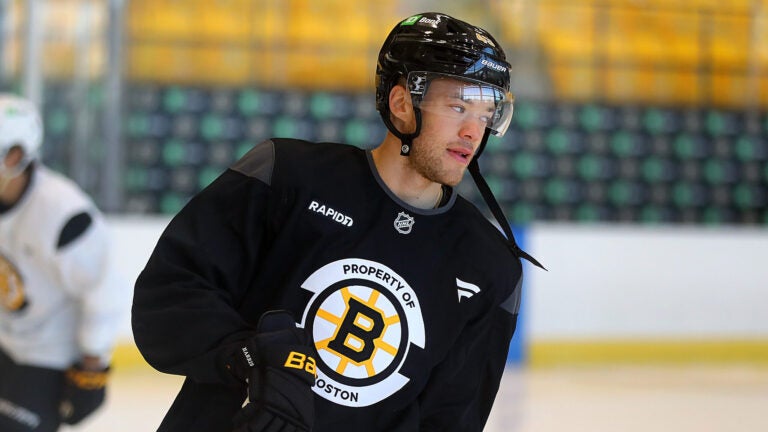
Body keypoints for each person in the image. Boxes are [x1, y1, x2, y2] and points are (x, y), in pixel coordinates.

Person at [132, 11, 543, 432]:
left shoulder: (490, 266)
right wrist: (250, 357)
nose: (472, 132)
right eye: (458, 107)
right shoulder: (284, 176)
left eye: (485, 113)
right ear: (403, 104)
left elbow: (450, 419)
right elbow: (168, 298)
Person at [0, 93, 130, 431]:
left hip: (49, 358)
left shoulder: (63, 213)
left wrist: (92, 366)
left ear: (15, 155)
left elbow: (103, 292)